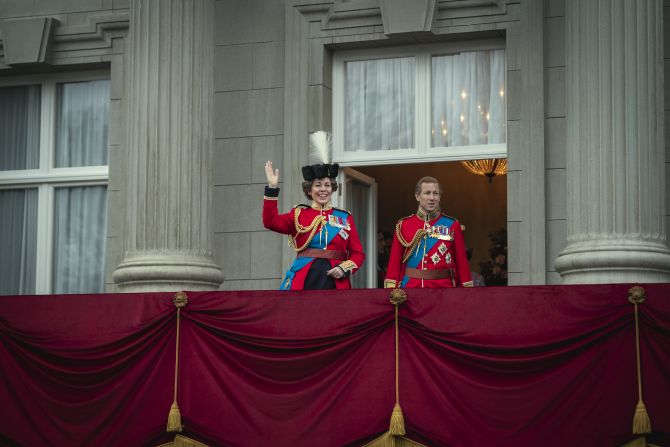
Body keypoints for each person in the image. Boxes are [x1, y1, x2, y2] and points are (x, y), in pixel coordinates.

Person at [263, 160, 365, 290]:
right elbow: (270, 222)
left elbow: (358, 253)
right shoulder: (298, 214)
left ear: (332, 189)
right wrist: (272, 188)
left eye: (327, 185)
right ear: (309, 190)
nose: (323, 189)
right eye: (318, 185)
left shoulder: (345, 217)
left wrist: (343, 268)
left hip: (336, 281)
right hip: (304, 279)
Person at [384, 176, 472, 289]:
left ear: (440, 197)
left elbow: (462, 265)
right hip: (410, 290)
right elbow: (394, 264)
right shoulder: (403, 225)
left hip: (444, 290)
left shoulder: (452, 225)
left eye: (436, 193)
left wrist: (467, 291)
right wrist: (391, 291)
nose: (432, 198)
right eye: (427, 193)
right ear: (417, 196)